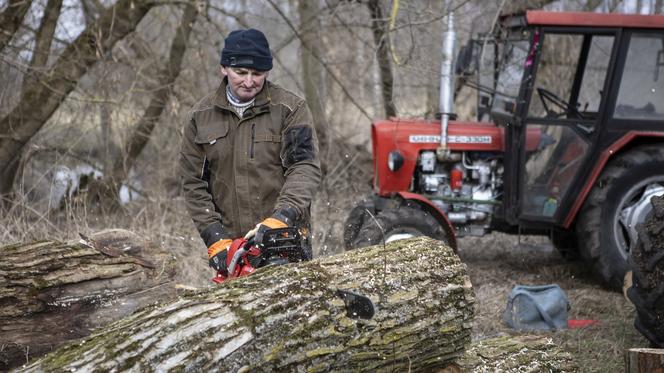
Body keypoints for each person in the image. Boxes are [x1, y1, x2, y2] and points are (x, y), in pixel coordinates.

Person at [179, 28, 321, 277]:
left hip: (284, 237)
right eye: (240, 72)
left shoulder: (290, 109)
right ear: (224, 68)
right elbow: (193, 183)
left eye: (257, 74)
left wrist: (283, 216)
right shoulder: (200, 117)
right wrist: (214, 236)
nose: (248, 81)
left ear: (267, 71)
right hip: (232, 244)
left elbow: (304, 167)